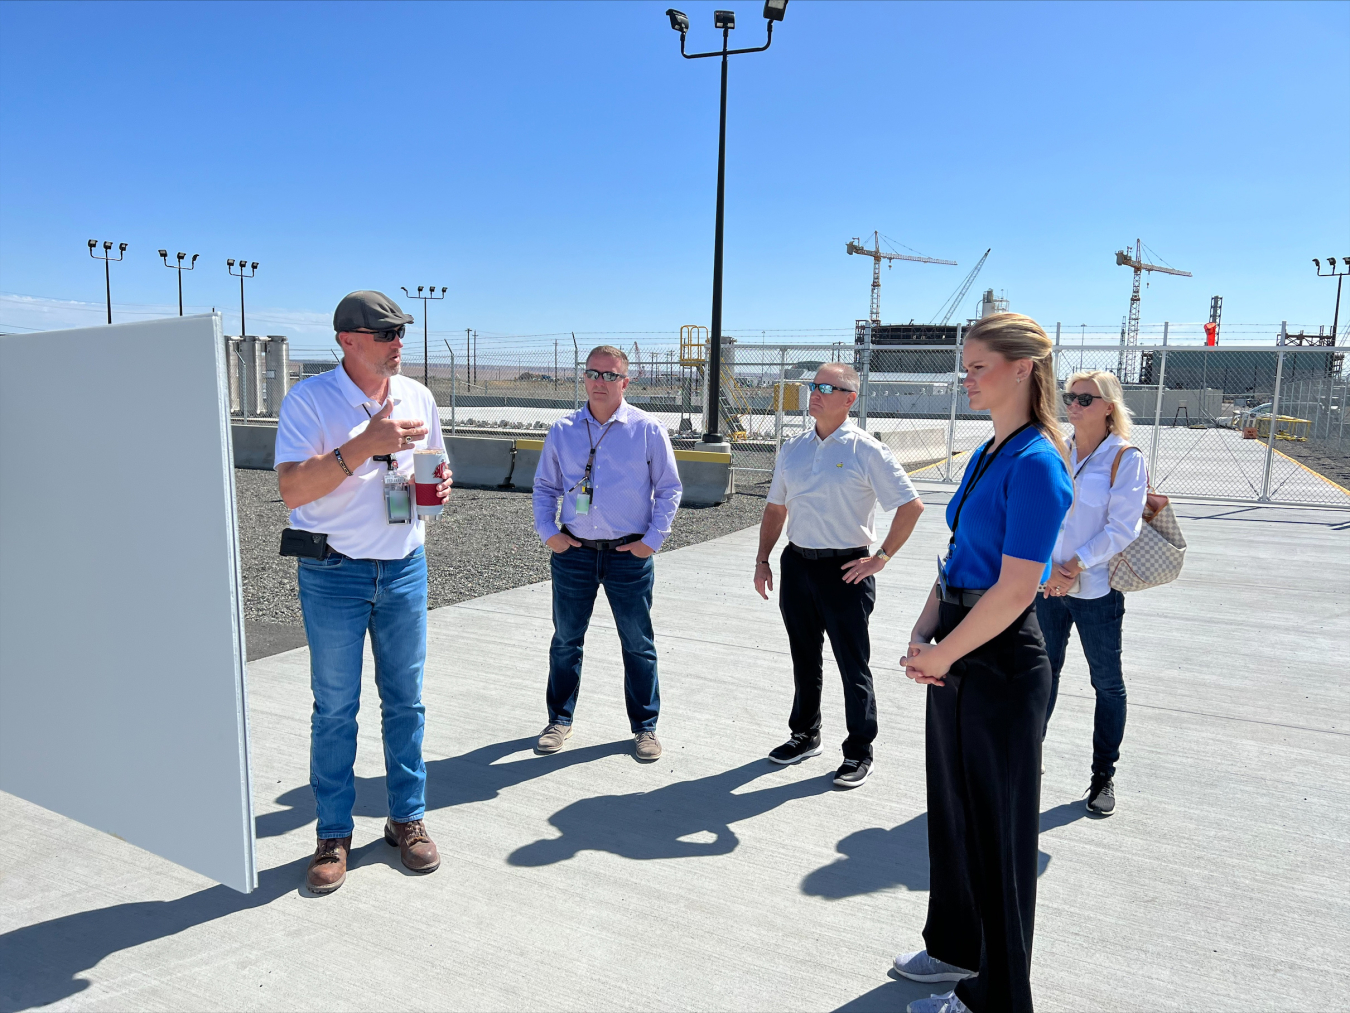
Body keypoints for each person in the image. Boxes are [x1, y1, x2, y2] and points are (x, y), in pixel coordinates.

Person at [893, 314, 1074, 1013]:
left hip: (1000, 661)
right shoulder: (985, 453)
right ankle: (953, 947)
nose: (965, 378)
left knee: (999, 837)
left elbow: (1017, 586)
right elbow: (961, 558)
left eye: (977, 366)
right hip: (961, 641)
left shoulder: (1038, 462)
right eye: (964, 367)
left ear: (1023, 367)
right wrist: (925, 628)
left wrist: (947, 649)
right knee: (954, 811)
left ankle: (996, 998)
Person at [274, 290, 453, 896]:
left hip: (404, 567)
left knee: (407, 701)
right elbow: (293, 490)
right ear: (348, 340)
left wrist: (437, 487)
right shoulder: (310, 400)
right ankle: (332, 834)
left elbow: (426, 475)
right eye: (386, 333)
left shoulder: (418, 397)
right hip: (334, 574)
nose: (399, 342)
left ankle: (407, 819)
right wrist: (365, 445)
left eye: (401, 331)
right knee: (335, 708)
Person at [753, 362, 924, 789]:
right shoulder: (793, 448)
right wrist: (763, 559)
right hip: (797, 564)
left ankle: (859, 750)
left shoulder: (867, 450)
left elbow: (910, 506)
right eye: (814, 385)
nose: (816, 392)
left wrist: (880, 556)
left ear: (850, 399)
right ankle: (805, 734)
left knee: (853, 664)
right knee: (803, 657)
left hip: (846, 568)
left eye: (829, 387)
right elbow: (776, 508)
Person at [532, 345, 682, 761]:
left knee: (638, 643)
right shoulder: (563, 430)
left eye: (610, 375)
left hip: (627, 555)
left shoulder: (647, 429)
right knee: (565, 640)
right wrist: (549, 533)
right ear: (584, 377)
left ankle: (645, 727)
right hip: (574, 553)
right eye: (593, 373)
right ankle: (559, 720)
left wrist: (652, 540)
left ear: (625, 382)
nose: (600, 382)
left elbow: (669, 487)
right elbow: (545, 486)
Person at [1038, 370, 1147, 815]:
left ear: (1109, 406)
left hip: (1096, 588)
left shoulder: (1124, 457)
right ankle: (1029, 759)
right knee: (1042, 674)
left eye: (1086, 398)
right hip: (1048, 585)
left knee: (1106, 683)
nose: (1075, 404)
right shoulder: (1056, 450)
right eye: (1071, 396)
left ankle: (1103, 775)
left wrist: (1074, 565)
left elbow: (1123, 527)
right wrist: (1050, 571)